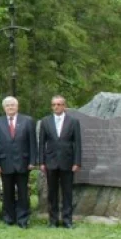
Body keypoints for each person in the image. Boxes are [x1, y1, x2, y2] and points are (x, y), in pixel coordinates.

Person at [0, 96, 37, 228]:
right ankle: (8, 217)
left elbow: (32, 143)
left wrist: (33, 160)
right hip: (5, 162)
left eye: (13, 105)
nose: (10, 107)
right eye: (8, 105)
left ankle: (23, 219)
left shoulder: (27, 120)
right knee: (7, 192)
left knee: (23, 192)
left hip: (23, 162)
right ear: (4, 107)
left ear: (17, 107)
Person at [38, 95, 82, 229]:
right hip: (50, 162)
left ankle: (67, 220)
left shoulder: (73, 121)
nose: (56, 107)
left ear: (64, 106)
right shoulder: (45, 121)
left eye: (59, 104)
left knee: (67, 192)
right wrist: (41, 162)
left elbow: (78, 144)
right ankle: (53, 220)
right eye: (54, 104)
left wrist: (77, 162)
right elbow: (41, 143)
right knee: (52, 193)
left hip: (67, 162)